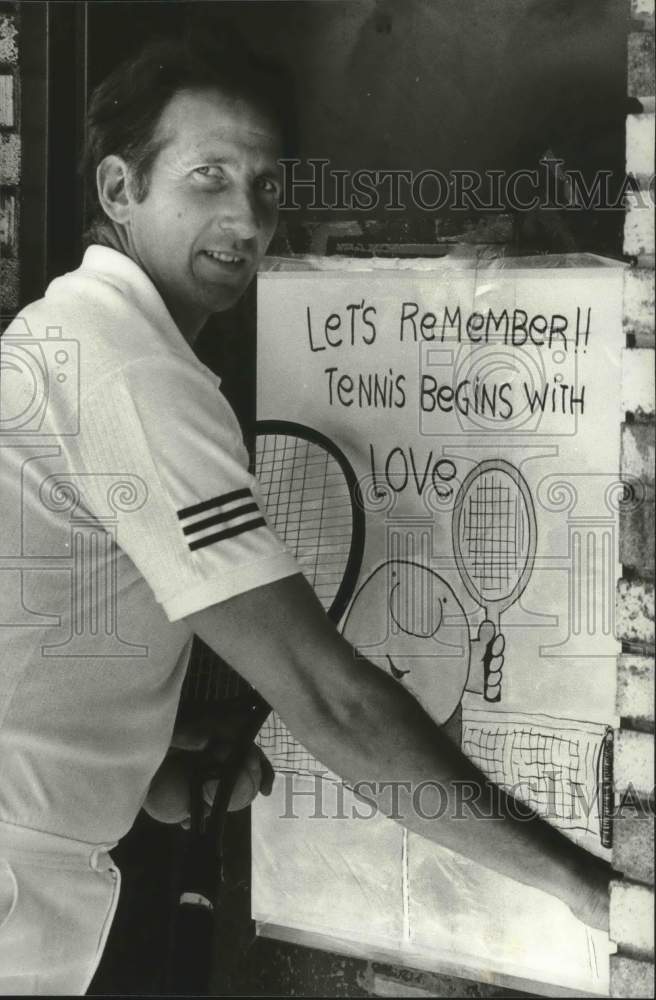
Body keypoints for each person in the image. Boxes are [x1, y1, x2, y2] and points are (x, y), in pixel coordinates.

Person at [0, 28, 613, 996]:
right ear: (120, 189)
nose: (246, 218)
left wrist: (140, 768)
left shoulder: (62, 335)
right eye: (207, 176)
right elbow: (331, 702)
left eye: (265, 185)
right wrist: (588, 889)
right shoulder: (129, 370)